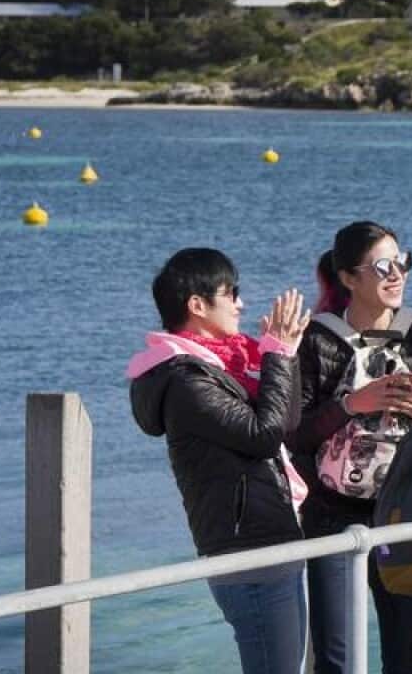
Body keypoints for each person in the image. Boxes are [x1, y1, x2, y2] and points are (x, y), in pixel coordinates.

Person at [127, 247, 311, 674]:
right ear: (197, 304)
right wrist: (277, 355)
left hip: (271, 540)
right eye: (232, 293)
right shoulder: (186, 380)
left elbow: (287, 420)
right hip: (247, 551)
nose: (241, 303)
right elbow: (263, 437)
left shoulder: (227, 365)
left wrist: (283, 355)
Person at [289, 221, 412, 674]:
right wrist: (352, 405)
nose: (397, 273)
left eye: (403, 262)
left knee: (408, 652)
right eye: (383, 266)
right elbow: (295, 435)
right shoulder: (317, 337)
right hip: (333, 513)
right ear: (347, 278)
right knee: (336, 656)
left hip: (407, 510)